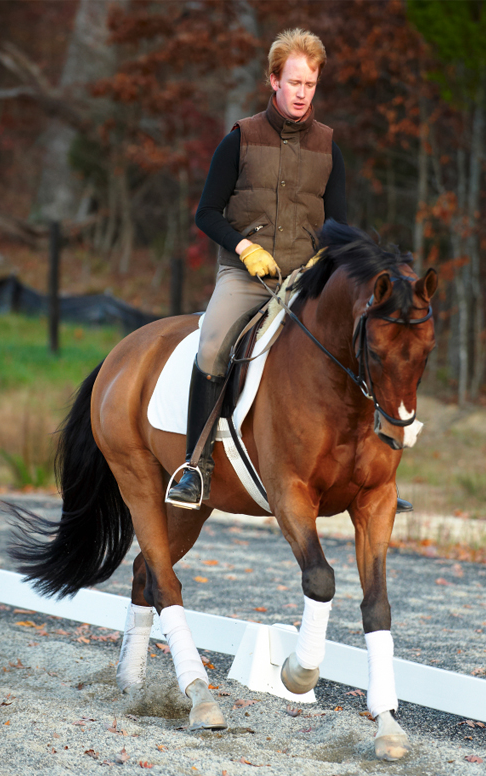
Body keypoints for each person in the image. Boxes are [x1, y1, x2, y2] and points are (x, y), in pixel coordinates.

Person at [166, 28, 412, 515]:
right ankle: (195, 466)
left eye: (310, 85)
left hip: (305, 279)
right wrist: (243, 247)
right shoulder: (239, 139)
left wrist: (331, 262)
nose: (302, 93)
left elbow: (337, 225)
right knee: (214, 343)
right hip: (246, 277)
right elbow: (206, 212)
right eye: (293, 82)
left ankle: (373, 474)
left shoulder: (329, 147)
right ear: (273, 80)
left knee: (364, 342)